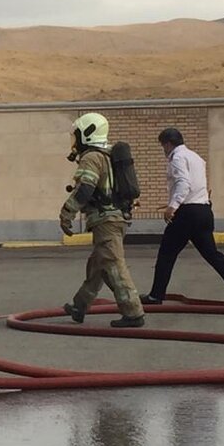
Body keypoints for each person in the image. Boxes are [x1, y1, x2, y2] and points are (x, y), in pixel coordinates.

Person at [60, 113, 145, 327]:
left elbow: (85, 189)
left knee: (114, 265)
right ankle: (79, 306)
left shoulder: (92, 157)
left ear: (87, 134)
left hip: (106, 221)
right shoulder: (106, 156)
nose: (74, 140)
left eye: (77, 135)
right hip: (116, 218)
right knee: (98, 266)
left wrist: (66, 213)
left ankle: (133, 313)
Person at [140, 128, 224, 304]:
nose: (163, 150)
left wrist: (172, 206)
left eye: (163, 146)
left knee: (166, 254)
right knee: (212, 254)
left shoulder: (177, 158)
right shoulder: (196, 157)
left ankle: (156, 295)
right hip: (203, 211)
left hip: (187, 213)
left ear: (168, 144)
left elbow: (183, 183)